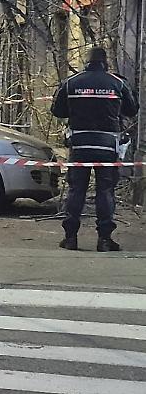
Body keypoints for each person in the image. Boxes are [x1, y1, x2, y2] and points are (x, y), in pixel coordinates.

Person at [51, 47, 139, 252]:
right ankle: (105, 239)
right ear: (105, 62)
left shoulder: (72, 82)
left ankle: (71, 237)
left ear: (86, 61)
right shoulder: (117, 82)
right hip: (107, 145)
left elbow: (57, 110)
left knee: (76, 190)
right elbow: (132, 109)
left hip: (80, 144)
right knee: (105, 191)